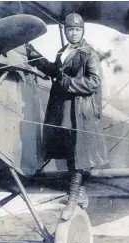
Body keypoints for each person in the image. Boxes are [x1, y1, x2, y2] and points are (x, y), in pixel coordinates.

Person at [27, 13, 109, 221]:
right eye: (70, 29)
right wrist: (34, 55)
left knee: (77, 155)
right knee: (66, 151)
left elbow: (94, 82)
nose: (73, 33)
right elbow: (55, 71)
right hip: (63, 109)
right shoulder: (63, 52)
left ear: (82, 31)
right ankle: (79, 193)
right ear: (65, 31)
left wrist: (69, 83)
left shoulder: (89, 53)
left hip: (80, 111)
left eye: (77, 29)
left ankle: (72, 200)